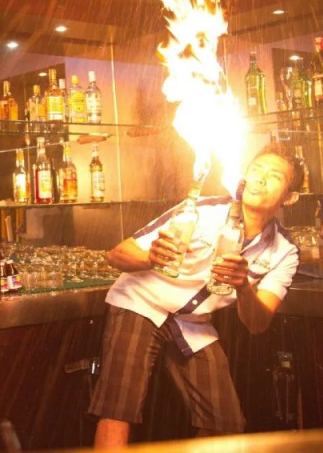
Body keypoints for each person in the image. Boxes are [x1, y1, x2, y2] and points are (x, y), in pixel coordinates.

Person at [88, 145, 303, 447]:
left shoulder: (285, 251)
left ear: (290, 198)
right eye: (256, 170)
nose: (260, 179)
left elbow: (257, 323)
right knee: (118, 408)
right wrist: (151, 258)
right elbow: (116, 255)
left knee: (226, 424)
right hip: (141, 302)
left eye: (275, 176)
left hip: (192, 323)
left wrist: (243, 287)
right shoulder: (201, 210)